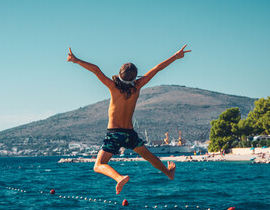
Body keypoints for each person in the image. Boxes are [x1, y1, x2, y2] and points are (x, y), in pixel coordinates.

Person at [67, 45, 191, 194]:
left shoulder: (114, 87)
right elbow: (157, 68)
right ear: (135, 76)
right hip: (129, 133)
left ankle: (119, 178)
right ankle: (168, 173)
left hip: (114, 133)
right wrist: (175, 56)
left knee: (98, 165)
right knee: (148, 156)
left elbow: (96, 69)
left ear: (119, 74)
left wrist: (76, 60)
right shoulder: (137, 86)